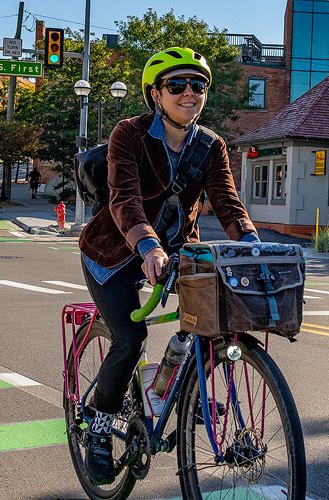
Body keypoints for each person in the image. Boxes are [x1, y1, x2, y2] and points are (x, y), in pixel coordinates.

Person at [75, 47, 259, 485]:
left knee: (212, 319)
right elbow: (124, 198)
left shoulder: (211, 145)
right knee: (130, 336)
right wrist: (148, 246)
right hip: (116, 253)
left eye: (198, 85)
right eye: (177, 85)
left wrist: (251, 243)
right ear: (156, 94)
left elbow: (228, 205)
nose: (189, 93)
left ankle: (179, 389)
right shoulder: (130, 135)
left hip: (179, 253)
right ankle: (99, 427)